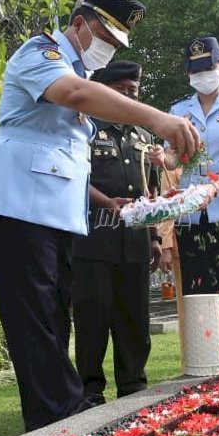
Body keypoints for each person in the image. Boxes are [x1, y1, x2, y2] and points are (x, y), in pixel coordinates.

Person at [0, 0, 199, 431]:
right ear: (78, 24)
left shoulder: (84, 76)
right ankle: (61, 415)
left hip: (53, 216)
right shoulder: (43, 52)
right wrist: (157, 118)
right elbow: (73, 94)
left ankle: (56, 416)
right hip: (16, 207)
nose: (109, 49)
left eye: (117, 45)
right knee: (36, 318)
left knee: (54, 317)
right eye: (105, 37)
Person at [150, 36, 219, 334]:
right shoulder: (178, 110)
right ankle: (208, 369)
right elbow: (176, 160)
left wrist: (216, 185)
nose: (202, 77)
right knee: (200, 297)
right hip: (192, 216)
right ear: (187, 74)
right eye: (195, 72)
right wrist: (163, 157)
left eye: (207, 69)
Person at [71, 60, 161, 406]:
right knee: (93, 316)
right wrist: (107, 203)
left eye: (133, 92)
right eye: (121, 91)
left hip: (134, 241)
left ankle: (133, 384)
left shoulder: (144, 137)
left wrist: (154, 237)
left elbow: (151, 193)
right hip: (93, 238)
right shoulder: (84, 127)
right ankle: (90, 389)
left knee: (134, 318)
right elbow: (75, 178)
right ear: (104, 91)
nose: (128, 97)